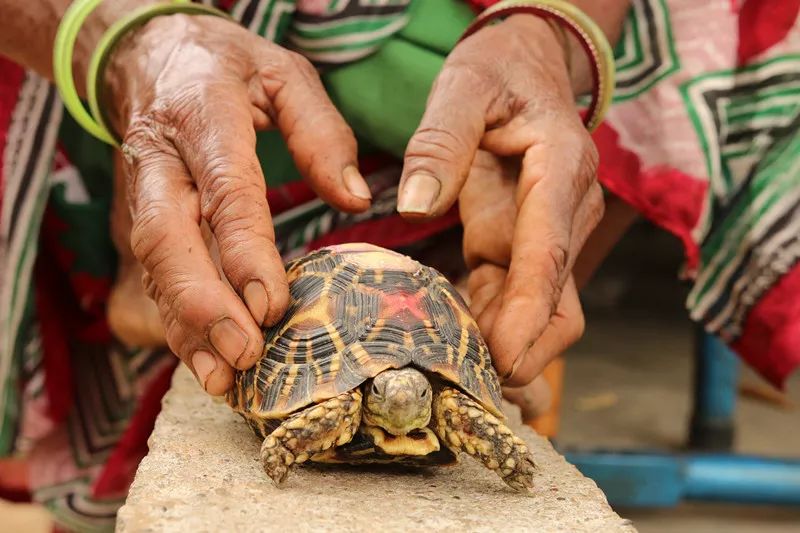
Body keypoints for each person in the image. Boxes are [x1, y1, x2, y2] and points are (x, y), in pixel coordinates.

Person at [0, 0, 797, 529]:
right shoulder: (343, 407)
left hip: (454, 93)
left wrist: (547, 30)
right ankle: (154, 231)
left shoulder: (428, 401)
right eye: (401, 393)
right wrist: (125, 37)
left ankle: (512, 293)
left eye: (409, 392)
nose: (410, 398)